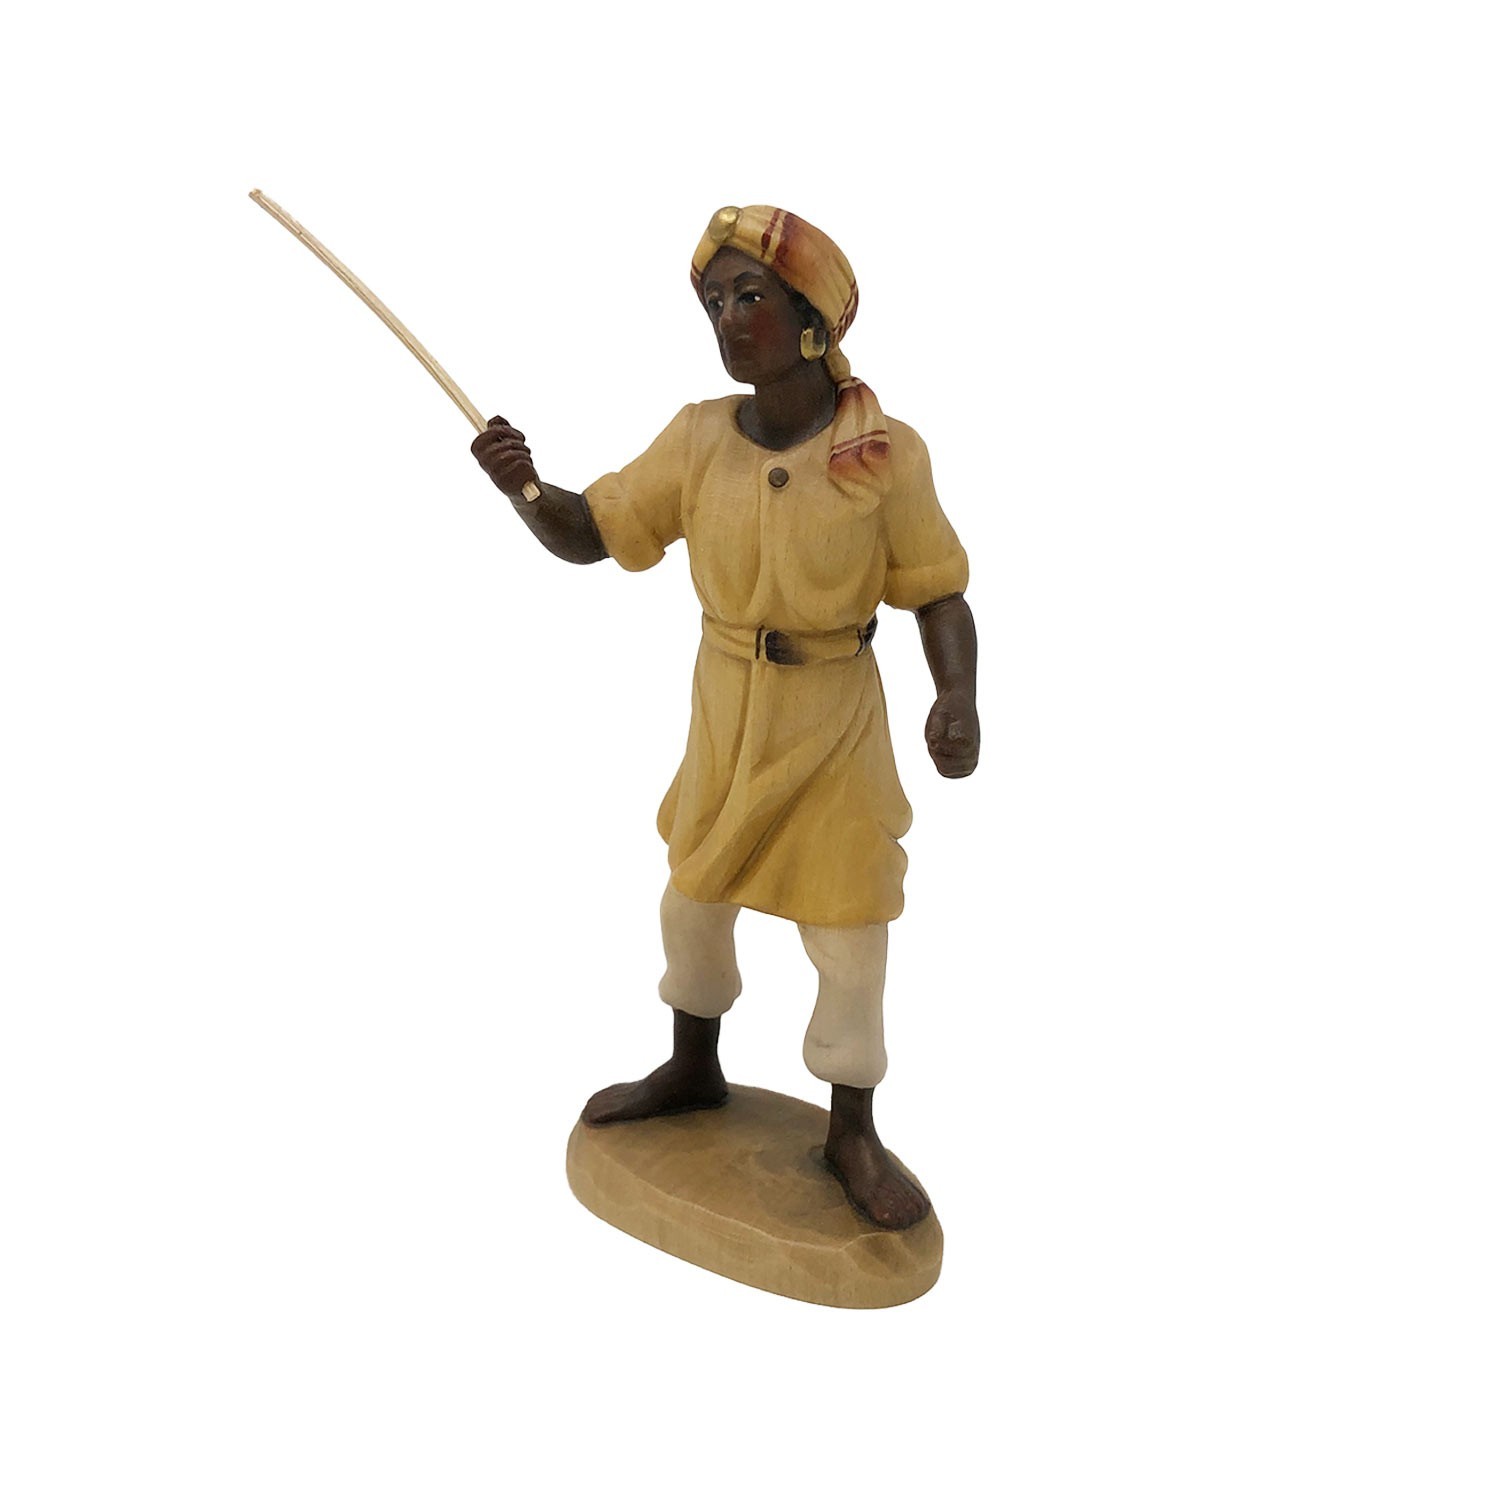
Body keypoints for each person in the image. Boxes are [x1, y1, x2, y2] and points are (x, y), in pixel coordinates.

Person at [471, 206, 978, 1230]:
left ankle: (851, 1127)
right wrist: (523, 485)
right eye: (714, 302)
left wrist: (957, 695)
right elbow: (595, 532)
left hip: (833, 721)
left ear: (813, 320)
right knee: (692, 902)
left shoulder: (886, 454)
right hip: (727, 711)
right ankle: (692, 1065)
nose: (729, 319)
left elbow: (936, 591)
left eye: (752, 296)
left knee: (849, 933)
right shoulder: (700, 438)